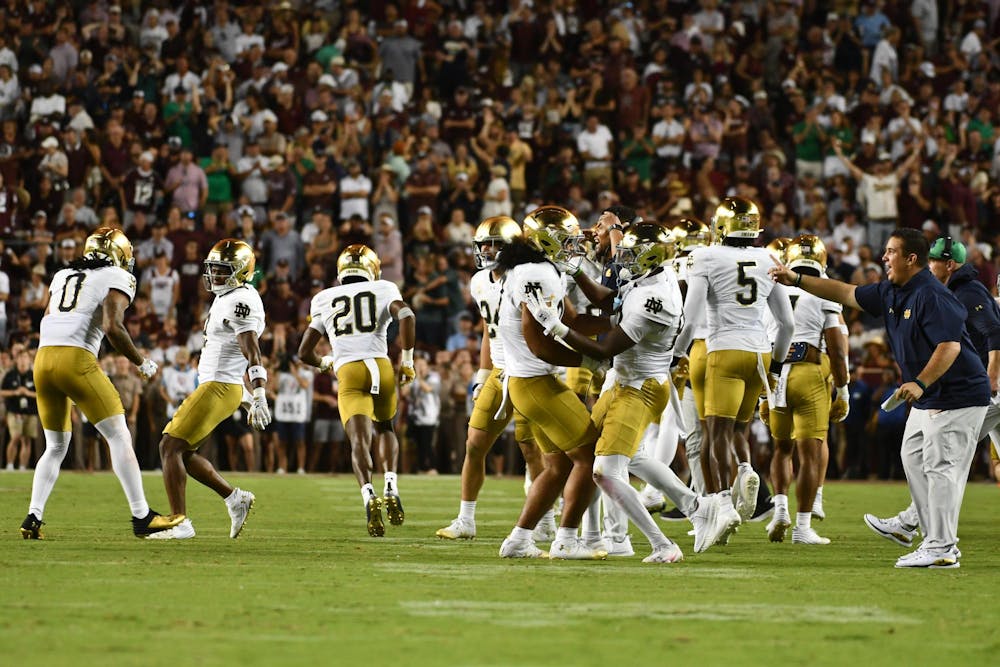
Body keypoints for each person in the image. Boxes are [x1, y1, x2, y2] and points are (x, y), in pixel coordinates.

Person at [770, 229, 989, 569]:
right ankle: (925, 535)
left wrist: (920, 381)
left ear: (910, 259)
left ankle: (943, 547)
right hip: (932, 395)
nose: (884, 257)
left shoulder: (933, 295)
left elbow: (950, 346)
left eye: (890, 252)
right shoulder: (892, 290)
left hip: (957, 394)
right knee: (913, 456)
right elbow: (844, 291)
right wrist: (795, 278)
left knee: (941, 467)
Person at [538, 221, 734, 561]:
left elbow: (605, 349)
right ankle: (696, 507)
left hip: (640, 388)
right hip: (627, 381)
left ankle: (663, 544)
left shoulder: (652, 299)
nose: (623, 260)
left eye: (631, 254)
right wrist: (576, 270)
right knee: (594, 455)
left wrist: (558, 329)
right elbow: (607, 298)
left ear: (650, 257)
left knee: (604, 471)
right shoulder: (651, 277)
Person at [20, 227, 179, 539]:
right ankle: (141, 516)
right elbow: (113, 327)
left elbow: (48, 316)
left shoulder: (62, 274)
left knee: (55, 446)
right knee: (119, 433)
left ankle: (33, 517)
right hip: (75, 359)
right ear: (118, 255)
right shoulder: (116, 276)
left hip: (43, 359)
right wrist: (141, 362)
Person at [863, 237, 1000, 558]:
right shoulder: (943, 291)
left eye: (934, 260)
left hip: (984, 388)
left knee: (941, 459)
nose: (929, 265)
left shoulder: (967, 292)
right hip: (980, 385)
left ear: (949, 264)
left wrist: (993, 376)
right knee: (939, 459)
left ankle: (920, 531)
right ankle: (913, 525)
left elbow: (994, 330)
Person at [674, 196, 795, 538]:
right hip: (760, 355)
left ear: (722, 226)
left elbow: (692, 316)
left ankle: (723, 505)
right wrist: (775, 368)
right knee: (739, 432)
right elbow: (786, 324)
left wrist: (677, 353)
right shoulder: (767, 257)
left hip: (724, 350)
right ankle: (745, 470)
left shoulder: (706, 256)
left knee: (715, 436)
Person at [496, 206, 605, 560]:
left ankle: (518, 540)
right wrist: (591, 359)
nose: (574, 246)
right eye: (567, 240)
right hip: (535, 382)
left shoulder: (536, 269)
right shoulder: (536, 273)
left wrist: (623, 327)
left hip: (528, 382)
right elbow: (541, 345)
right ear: (547, 241)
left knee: (558, 466)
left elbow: (571, 321)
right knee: (591, 457)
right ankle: (567, 541)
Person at [436, 216, 551, 542]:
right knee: (474, 444)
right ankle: (466, 519)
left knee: (532, 450)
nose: (486, 250)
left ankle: (545, 520)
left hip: (528, 371)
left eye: (495, 244)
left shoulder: (528, 277)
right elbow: (490, 329)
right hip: (500, 373)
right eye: (483, 244)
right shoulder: (480, 281)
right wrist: (482, 374)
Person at [152, 239, 269, 540]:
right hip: (221, 385)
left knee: (169, 446)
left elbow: (252, 351)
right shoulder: (229, 295)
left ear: (242, 272)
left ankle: (180, 522)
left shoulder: (239, 301)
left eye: (223, 270)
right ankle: (235, 498)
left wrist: (257, 393)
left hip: (219, 386)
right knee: (184, 453)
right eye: (213, 269)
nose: (215, 276)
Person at [298, 244, 416, 537]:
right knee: (386, 427)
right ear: (372, 269)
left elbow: (303, 352)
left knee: (359, 442)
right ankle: (391, 485)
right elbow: (408, 316)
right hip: (381, 364)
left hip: (349, 370)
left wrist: (326, 362)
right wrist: (408, 360)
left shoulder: (324, 298)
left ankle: (369, 495)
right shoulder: (385, 288)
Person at [762, 235, 849, 545]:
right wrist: (844, 388)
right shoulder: (823, 288)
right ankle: (802, 526)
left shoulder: (773, 285)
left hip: (775, 373)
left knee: (781, 448)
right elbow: (837, 347)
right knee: (810, 454)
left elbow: (762, 337)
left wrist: (763, 387)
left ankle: (780, 509)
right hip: (808, 371)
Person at [2, 350, 37, 471]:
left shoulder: (34, 375)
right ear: (16, 359)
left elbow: (41, 394)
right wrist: (14, 392)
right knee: (15, 437)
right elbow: (1, 391)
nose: (23, 360)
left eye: (25, 357)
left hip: (31, 412)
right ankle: (10, 464)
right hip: (14, 411)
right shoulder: (10, 374)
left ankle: (23, 466)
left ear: (29, 359)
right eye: (20, 357)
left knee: (27, 439)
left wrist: (28, 393)